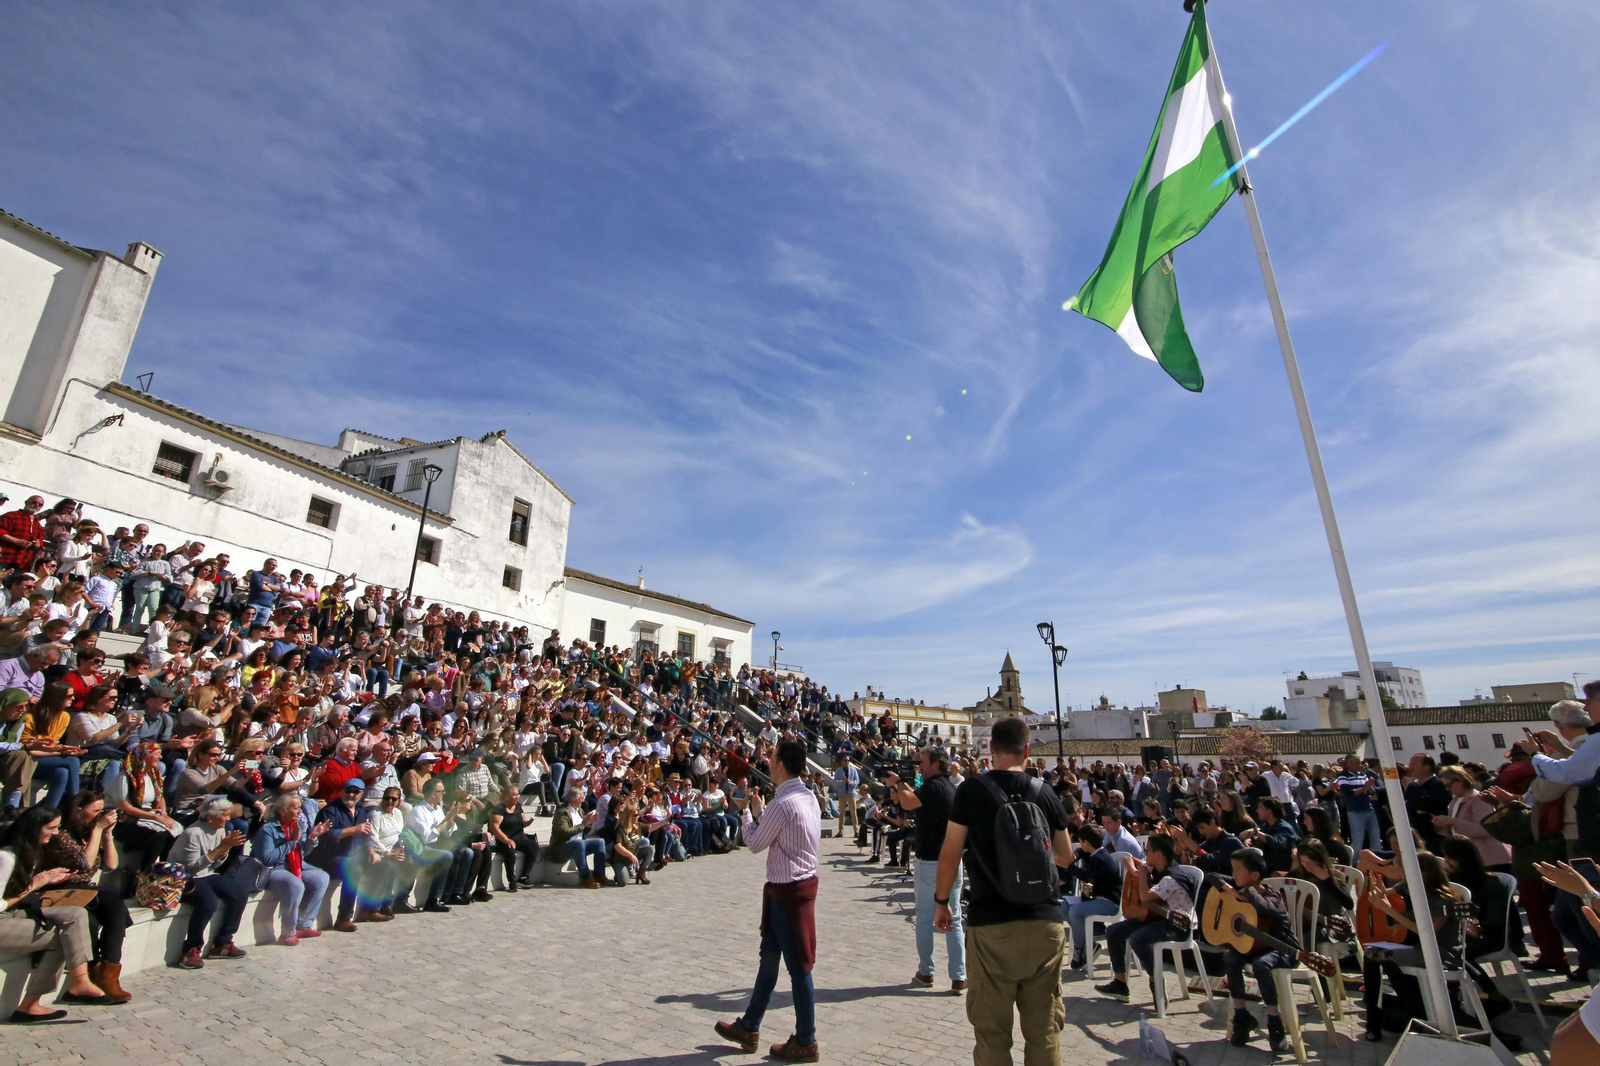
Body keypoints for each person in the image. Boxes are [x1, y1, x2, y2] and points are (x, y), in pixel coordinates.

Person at [935, 715, 1071, 1066]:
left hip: (991, 920)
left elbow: (950, 855)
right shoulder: (1044, 792)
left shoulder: (971, 790)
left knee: (992, 1034)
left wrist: (941, 903)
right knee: (1044, 1032)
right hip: (1044, 922)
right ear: (1027, 749)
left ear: (991, 749)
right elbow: (1065, 856)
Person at [715, 738, 821, 1063]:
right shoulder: (809, 798)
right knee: (771, 961)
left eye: (772, 759)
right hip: (796, 889)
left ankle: (806, 1039)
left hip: (786, 894)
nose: (769, 764)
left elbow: (755, 843)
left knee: (798, 968)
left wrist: (746, 812)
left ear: (779, 765)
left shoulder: (782, 804)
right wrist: (762, 812)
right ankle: (749, 1025)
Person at [0, 803, 112, 1022]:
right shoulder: (6, 858)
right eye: (51, 828)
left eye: (57, 827)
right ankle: (30, 1005)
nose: (56, 833)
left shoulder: (29, 852)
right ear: (34, 828)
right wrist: (34, 885)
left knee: (76, 914)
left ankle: (80, 981)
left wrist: (50, 881)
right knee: (62, 938)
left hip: (14, 914)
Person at [888, 744, 966, 994]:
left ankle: (927, 971)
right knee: (954, 919)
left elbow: (909, 803)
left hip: (931, 861)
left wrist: (899, 782)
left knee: (924, 917)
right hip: (952, 861)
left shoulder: (933, 787)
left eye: (923, 762)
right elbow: (915, 799)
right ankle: (959, 976)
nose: (920, 766)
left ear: (935, 764)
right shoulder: (950, 787)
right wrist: (902, 787)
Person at [48, 791, 135, 1001]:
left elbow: (110, 865)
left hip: (84, 890)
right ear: (79, 810)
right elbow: (84, 864)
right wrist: (97, 830)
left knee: (102, 913)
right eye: (95, 811)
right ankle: (105, 974)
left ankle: (105, 970)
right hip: (58, 889)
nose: (99, 815)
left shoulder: (92, 833)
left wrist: (107, 835)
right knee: (112, 899)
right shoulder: (60, 835)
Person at [1094, 834, 1196, 1002]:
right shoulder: (1157, 867)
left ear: (1159, 855)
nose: (1144, 854)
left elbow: (1145, 897)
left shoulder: (1171, 878)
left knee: (1137, 938)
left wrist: (1142, 875)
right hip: (1158, 917)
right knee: (1114, 931)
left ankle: (1155, 979)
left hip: (1177, 925)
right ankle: (1120, 983)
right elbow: (1128, 858)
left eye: (1148, 851)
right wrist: (1135, 871)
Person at [1218, 847, 1296, 1053]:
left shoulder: (1273, 896)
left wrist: (1249, 890)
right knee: (1231, 958)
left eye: (1237, 870)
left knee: (1262, 965)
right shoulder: (1240, 885)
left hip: (1282, 950)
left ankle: (1274, 1021)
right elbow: (1213, 876)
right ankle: (1241, 1015)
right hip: (1254, 947)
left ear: (1254, 876)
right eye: (1232, 869)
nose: (1233, 874)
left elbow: (1263, 908)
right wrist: (1232, 890)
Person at [172, 795, 250, 968]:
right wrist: (220, 848)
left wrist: (225, 850)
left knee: (239, 893)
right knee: (207, 902)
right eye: (225, 815)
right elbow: (191, 868)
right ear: (210, 816)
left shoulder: (220, 830)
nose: (229, 819)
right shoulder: (192, 834)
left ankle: (223, 942)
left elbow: (215, 864)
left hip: (207, 873)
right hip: (184, 877)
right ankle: (191, 948)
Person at [253, 794, 332, 945]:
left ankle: (304, 924)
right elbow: (267, 858)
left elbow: (302, 852)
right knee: (295, 885)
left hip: (296, 867)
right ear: (283, 810)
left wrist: (312, 837)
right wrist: (291, 842)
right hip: (274, 870)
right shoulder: (268, 830)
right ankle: (288, 932)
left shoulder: (297, 826)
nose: (300, 812)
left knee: (321, 878)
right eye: (296, 808)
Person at [1060, 823, 1123, 971]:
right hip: (1096, 899)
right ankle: (1089, 945)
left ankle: (1080, 949)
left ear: (1087, 843)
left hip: (1110, 902)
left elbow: (1085, 876)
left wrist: (1069, 865)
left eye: (1081, 841)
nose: (1080, 845)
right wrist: (1074, 855)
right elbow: (1079, 853)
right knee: (1065, 906)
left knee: (1075, 912)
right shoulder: (1091, 853)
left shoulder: (1101, 859)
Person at [549, 785, 607, 888]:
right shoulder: (562, 812)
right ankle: (585, 877)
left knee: (600, 842)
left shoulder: (579, 811)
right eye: (581, 797)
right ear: (574, 799)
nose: (583, 800)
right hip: (562, 846)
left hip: (579, 844)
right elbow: (564, 832)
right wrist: (583, 824)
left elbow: (584, 831)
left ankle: (599, 874)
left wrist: (589, 823)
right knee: (579, 843)